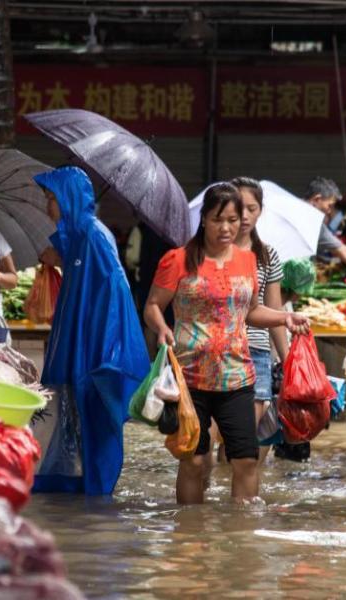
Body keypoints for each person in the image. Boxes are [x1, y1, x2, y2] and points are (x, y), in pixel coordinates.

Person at [144, 183, 309, 504]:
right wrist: (162, 326)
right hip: (189, 379)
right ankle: (189, 535)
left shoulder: (248, 261)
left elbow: (250, 312)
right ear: (204, 219)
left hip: (237, 377)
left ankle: (241, 537)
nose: (227, 227)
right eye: (219, 219)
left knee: (246, 460)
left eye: (233, 220)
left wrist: (284, 318)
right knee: (193, 461)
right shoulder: (177, 260)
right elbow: (152, 305)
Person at [32, 166, 150, 496]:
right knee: (74, 420)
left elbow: (113, 292)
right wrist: (61, 257)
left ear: (70, 199)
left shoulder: (95, 236)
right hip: (78, 345)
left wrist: (109, 352)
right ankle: (79, 494)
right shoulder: (80, 236)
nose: (48, 207)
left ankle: (97, 498)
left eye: (52, 199)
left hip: (96, 351)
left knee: (96, 423)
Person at [231, 177, 290, 463]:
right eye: (239, 208)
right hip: (221, 352)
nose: (244, 216)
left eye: (251, 209)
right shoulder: (213, 254)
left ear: (260, 211)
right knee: (225, 434)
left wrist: (287, 360)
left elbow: (273, 310)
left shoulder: (268, 256)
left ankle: (233, 500)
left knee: (246, 435)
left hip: (257, 353)